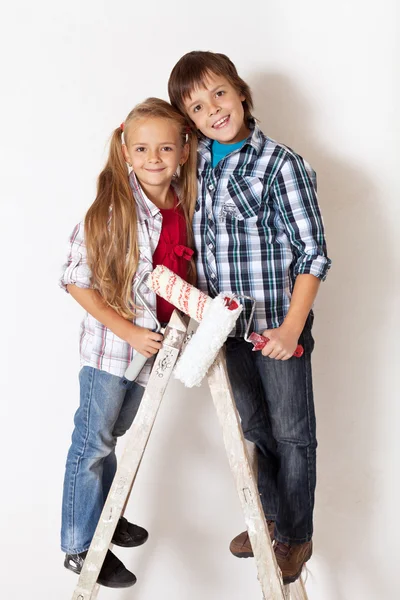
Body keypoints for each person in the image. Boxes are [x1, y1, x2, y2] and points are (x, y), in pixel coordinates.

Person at [168, 51, 331, 584]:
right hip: (226, 329)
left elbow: (312, 256)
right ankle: (269, 517)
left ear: (240, 92)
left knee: (292, 433)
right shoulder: (195, 167)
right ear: (189, 122)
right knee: (256, 427)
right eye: (196, 106)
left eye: (218, 93)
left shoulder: (281, 164)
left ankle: (295, 535)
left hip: (278, 327)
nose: (213, 109)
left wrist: (289, 329)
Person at [59, 97, 197, 588]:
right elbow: (76, 280)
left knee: (112, 437)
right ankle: (79, 544)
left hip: (152, 353)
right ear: (125, 150)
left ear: (184, 149)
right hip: (112, 351)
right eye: (142, 148)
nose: (154, 158)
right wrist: (129, 331)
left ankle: (104, 515)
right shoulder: (114, 209)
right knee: (91, 443)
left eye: (165, 147)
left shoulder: (184, 202)